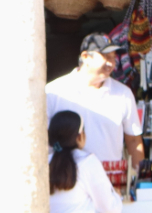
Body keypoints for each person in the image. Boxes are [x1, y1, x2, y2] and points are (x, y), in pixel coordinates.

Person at [46, 34, 144, 167]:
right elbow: (42, 139)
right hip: (67, 182)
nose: (111, 63)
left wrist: (139, 178)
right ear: (86, 57)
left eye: (113, 57)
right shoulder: (54, 92)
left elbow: (133, 140)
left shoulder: (123, 94)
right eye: (105, 57)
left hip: (110, 182)